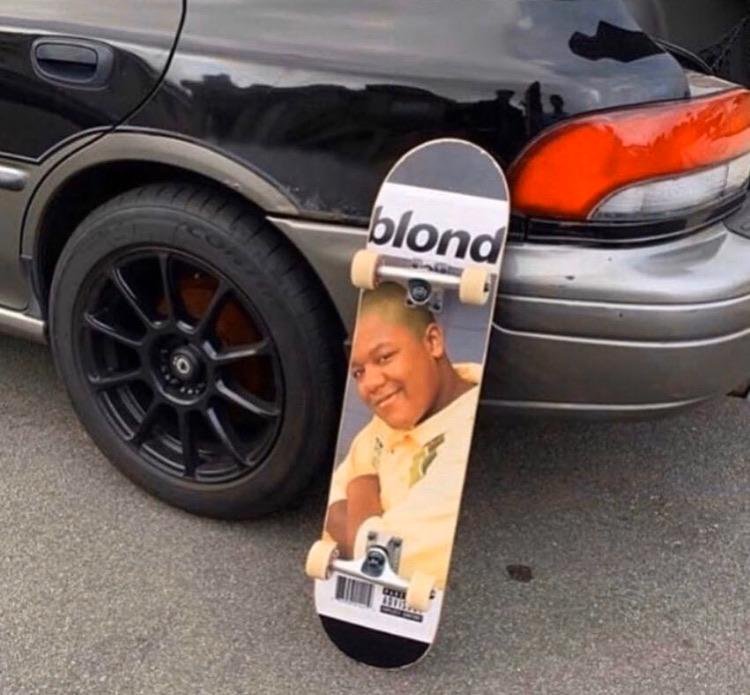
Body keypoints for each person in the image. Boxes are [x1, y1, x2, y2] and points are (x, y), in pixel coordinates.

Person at [324, 282, 481, 590]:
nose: (369, 384)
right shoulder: (394, 418)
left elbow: (389, 559)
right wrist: (365, 504)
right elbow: (331, 503)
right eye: (358, 372)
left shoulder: (464, 441)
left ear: (433, 342)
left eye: (384, 357)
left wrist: (362, 487)